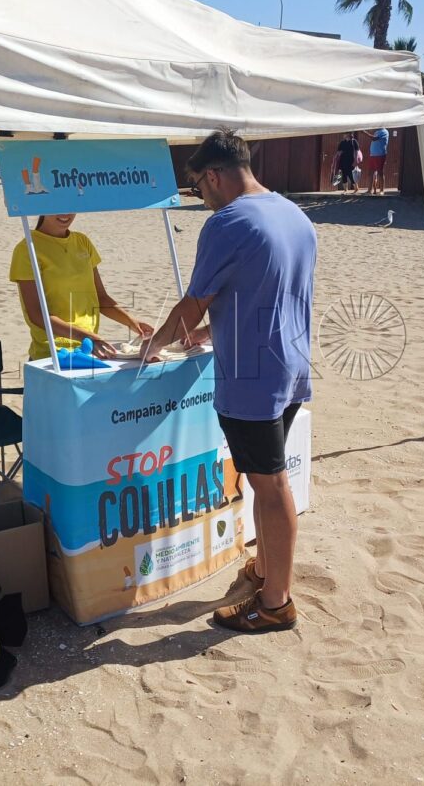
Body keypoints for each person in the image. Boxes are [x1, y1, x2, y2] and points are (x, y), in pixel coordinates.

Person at [140, 129, 316, 633]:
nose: (200, 196)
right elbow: (265, 291)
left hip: (251, 378)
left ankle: (277, 601)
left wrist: (156, 345)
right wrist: (204, 332)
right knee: (267, 481)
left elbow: (194, 299)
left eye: (197, 186)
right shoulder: (295, 215)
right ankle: (264, 570)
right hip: (290, 365)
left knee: (271, 482)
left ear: (213, 176)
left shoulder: (227, 222)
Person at [10, 213, 151, 360]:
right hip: (53, 352)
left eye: (71, 207)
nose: (65, 214)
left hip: (89, 348)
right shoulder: (27, 249)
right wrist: (85, 336)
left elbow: (101, 298)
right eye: (57, 207)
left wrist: (132, 323)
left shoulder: (82, 241)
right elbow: (36, 314)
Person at [362, 127, 390, 194]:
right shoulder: (377, 131)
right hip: (373, 155)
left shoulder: (384, 131)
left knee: (380, 172)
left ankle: (382, 190)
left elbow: (374, 139)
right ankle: (369, 190)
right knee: (370, 172)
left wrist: (364, 132)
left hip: (380, 154)